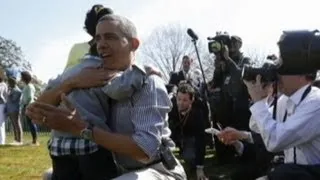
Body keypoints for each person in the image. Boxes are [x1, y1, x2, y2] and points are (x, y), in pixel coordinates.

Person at [27, 14, 186, 180]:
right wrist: (72, 83)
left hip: (158, 170)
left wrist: (81, 129)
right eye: (98, 38)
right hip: (120, 169)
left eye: (110, 37)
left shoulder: (148, 83)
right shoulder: (90, 76)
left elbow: (145, 149)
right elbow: (34, 111)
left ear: (134, 44)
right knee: (49, 176)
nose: (101, 44)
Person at [243, 30, 320, 179]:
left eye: (281, 60)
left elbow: (274, 142)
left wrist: (259, 103)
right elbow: (255, 125)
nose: (276, 69)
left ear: (300, 71)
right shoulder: (286, 100)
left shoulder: (315, 103)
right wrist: (265, 98)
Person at [168, 82, 207, 180]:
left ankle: (193, 163)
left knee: (190, 157)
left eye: (185, 100)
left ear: (192, 100)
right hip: (175, 134)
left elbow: (201, 139)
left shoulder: (198, 113)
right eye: (179, 99)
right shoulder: (170, 106)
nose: (180, 103)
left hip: (190, 136)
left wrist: (200, 167)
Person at [20, 71, 38, 145]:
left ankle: (35, 141)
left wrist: (25, 104)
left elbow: (30, 97)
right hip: (29, 105)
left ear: (25, 77)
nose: (21, 78)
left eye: (22, 76)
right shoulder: (29, 86)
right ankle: (34, 140)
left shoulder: (29, 86)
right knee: (31, 123)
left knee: (31, 123)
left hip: (29, 106)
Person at [6, 76, 22, 145]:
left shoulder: (17, 90)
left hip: (15, 110)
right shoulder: (12, 90)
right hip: (11, 109)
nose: (8, 84)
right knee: (14, 125)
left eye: (8, 83)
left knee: (17, 125)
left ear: (12, 83)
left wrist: (8, 95)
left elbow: (13, 100)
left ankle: (19, 140)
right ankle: (15, 139)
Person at [0, 76, 8, 145]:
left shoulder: (3, 85)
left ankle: (2, 142)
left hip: (1, 105)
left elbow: (2, 95)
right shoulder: (4, 85)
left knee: (1, 124)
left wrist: (5, 102)